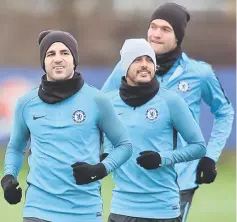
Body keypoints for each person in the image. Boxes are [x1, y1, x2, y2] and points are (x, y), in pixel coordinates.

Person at [101, 3, 234, 221]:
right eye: (153, 26)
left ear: (178, 36)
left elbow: (225, 112)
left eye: (165, 29)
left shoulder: (200, 73)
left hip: (179, 182)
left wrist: (211, 156)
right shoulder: (125, 68)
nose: (156, 34)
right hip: (132, 184)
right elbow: (102, 108)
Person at [1, 30, 133, 222]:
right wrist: (8, 178)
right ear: (43, 62)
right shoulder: (26, 103)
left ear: (74, 59)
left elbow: (125, 145)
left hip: (84, 212)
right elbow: (16, 147)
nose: (58, 59)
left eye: (64, 53)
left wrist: (101, 169)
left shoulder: (97, 100)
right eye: (50, 54)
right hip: (38, 211)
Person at [102, 38, 206, 222]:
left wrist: (162, 158)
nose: (144, 65)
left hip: (162, 210)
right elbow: (110, 147)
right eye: (137, 60)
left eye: (149, 59)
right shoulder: (109, 103)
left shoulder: (171, 101)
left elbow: (198, 146)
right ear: (125, 65)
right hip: (122, 209)